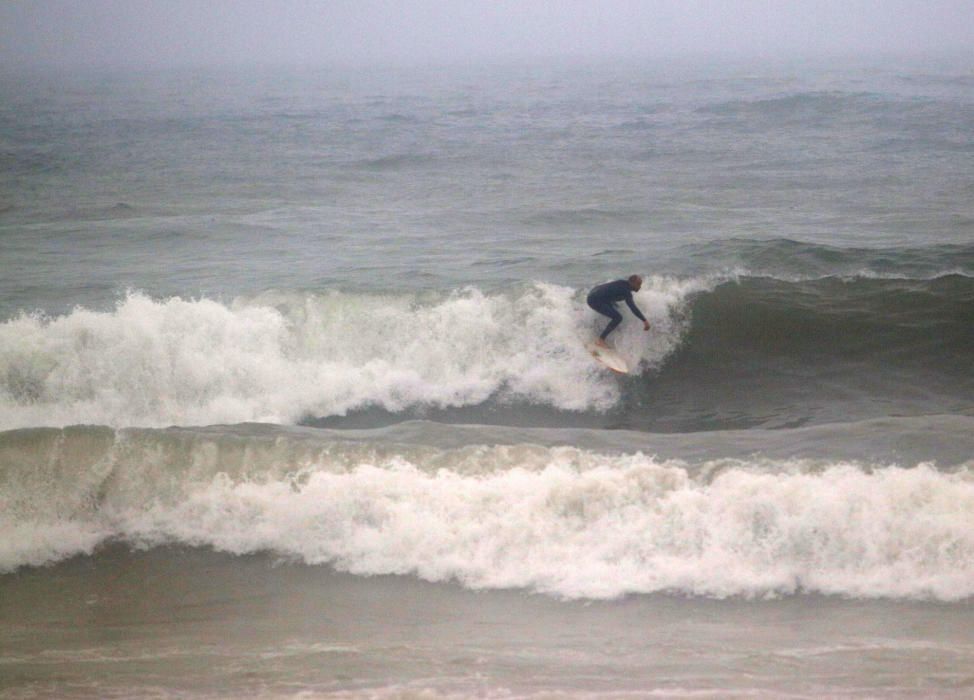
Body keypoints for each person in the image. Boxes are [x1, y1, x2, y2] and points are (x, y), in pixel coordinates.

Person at [587, 275, 650, 348]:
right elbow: (633, 307)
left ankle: (596, 330)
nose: (640, 287)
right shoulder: (626, 291)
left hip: (593, 295)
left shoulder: (621, 283)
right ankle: (601, 340)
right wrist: (644, 321)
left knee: (617, 308)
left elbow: (608, 291)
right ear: (632, 283)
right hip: (595, 300)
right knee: (618, 318)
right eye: (638, 284)